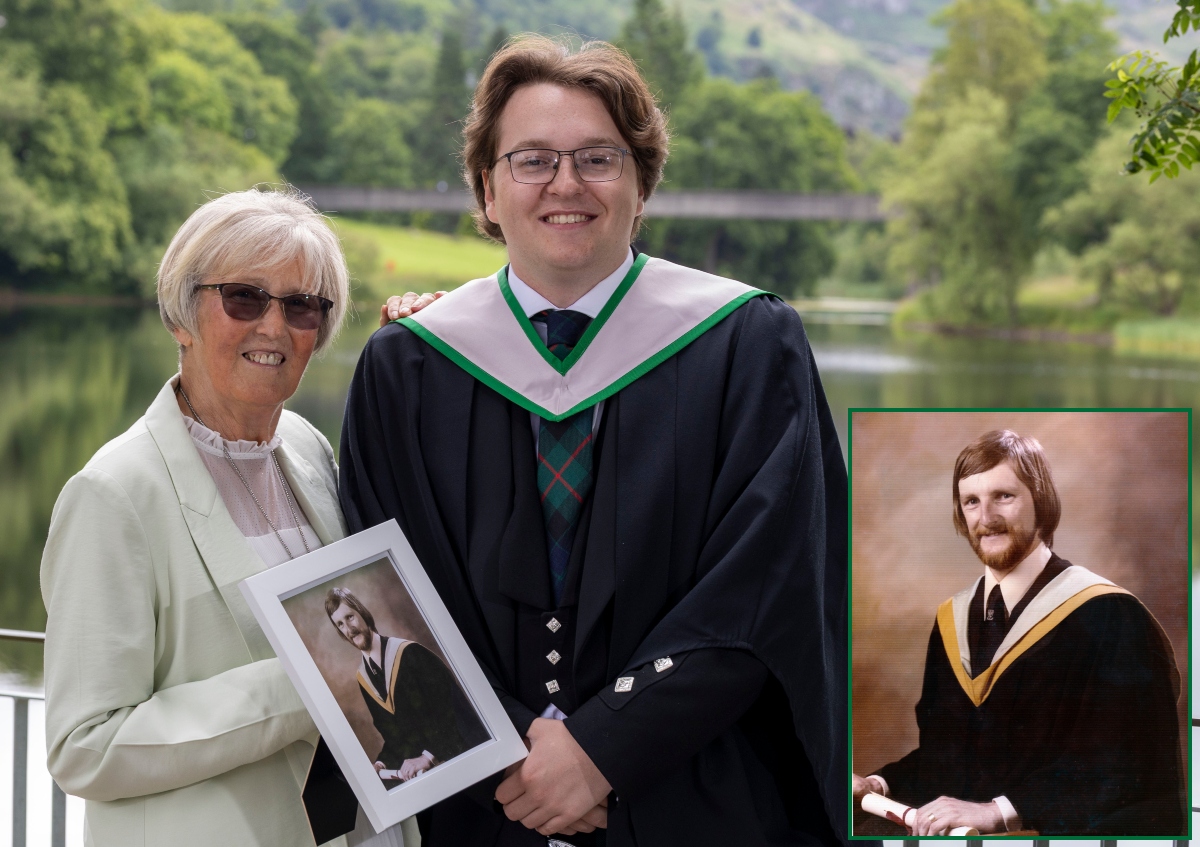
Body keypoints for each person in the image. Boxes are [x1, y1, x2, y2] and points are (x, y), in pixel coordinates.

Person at [336, 35, 857, 847]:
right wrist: (520, 767)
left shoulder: (750, 345)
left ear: (642, 185)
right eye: (532, 160)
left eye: (598, 158)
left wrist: (603, 751)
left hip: (694, 802)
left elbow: (768, 582)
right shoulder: (407, 365)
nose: (565, 184)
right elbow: (381, 595)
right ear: (487, 187)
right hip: (479, 814)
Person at [40, 188, 419, 847]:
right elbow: (84, 746)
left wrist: (440, 343)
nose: (273, 326)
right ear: (181, 317)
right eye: (244, 296)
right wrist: (303, 681)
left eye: (302, 306)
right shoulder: (114, 493)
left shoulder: (306, 447)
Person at [853, 429, 1185, 837]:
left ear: (1040, 501)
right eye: (971, 501)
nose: (986, 518)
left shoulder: (1110, 617)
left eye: (1004, 497)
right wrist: (882, 783)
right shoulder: (951, 621)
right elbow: (951, 755)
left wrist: (999, 812)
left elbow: (1131, 765)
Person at [325, 587, 484, 782]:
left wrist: (427, 756)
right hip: (423, 777)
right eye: (340, 624)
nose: (349, 629)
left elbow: (452, 711)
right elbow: (396, 736)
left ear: (362, 613)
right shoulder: (364, 678)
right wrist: (382, 762)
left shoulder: (411, 654)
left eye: (350, 617)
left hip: (462, 762)